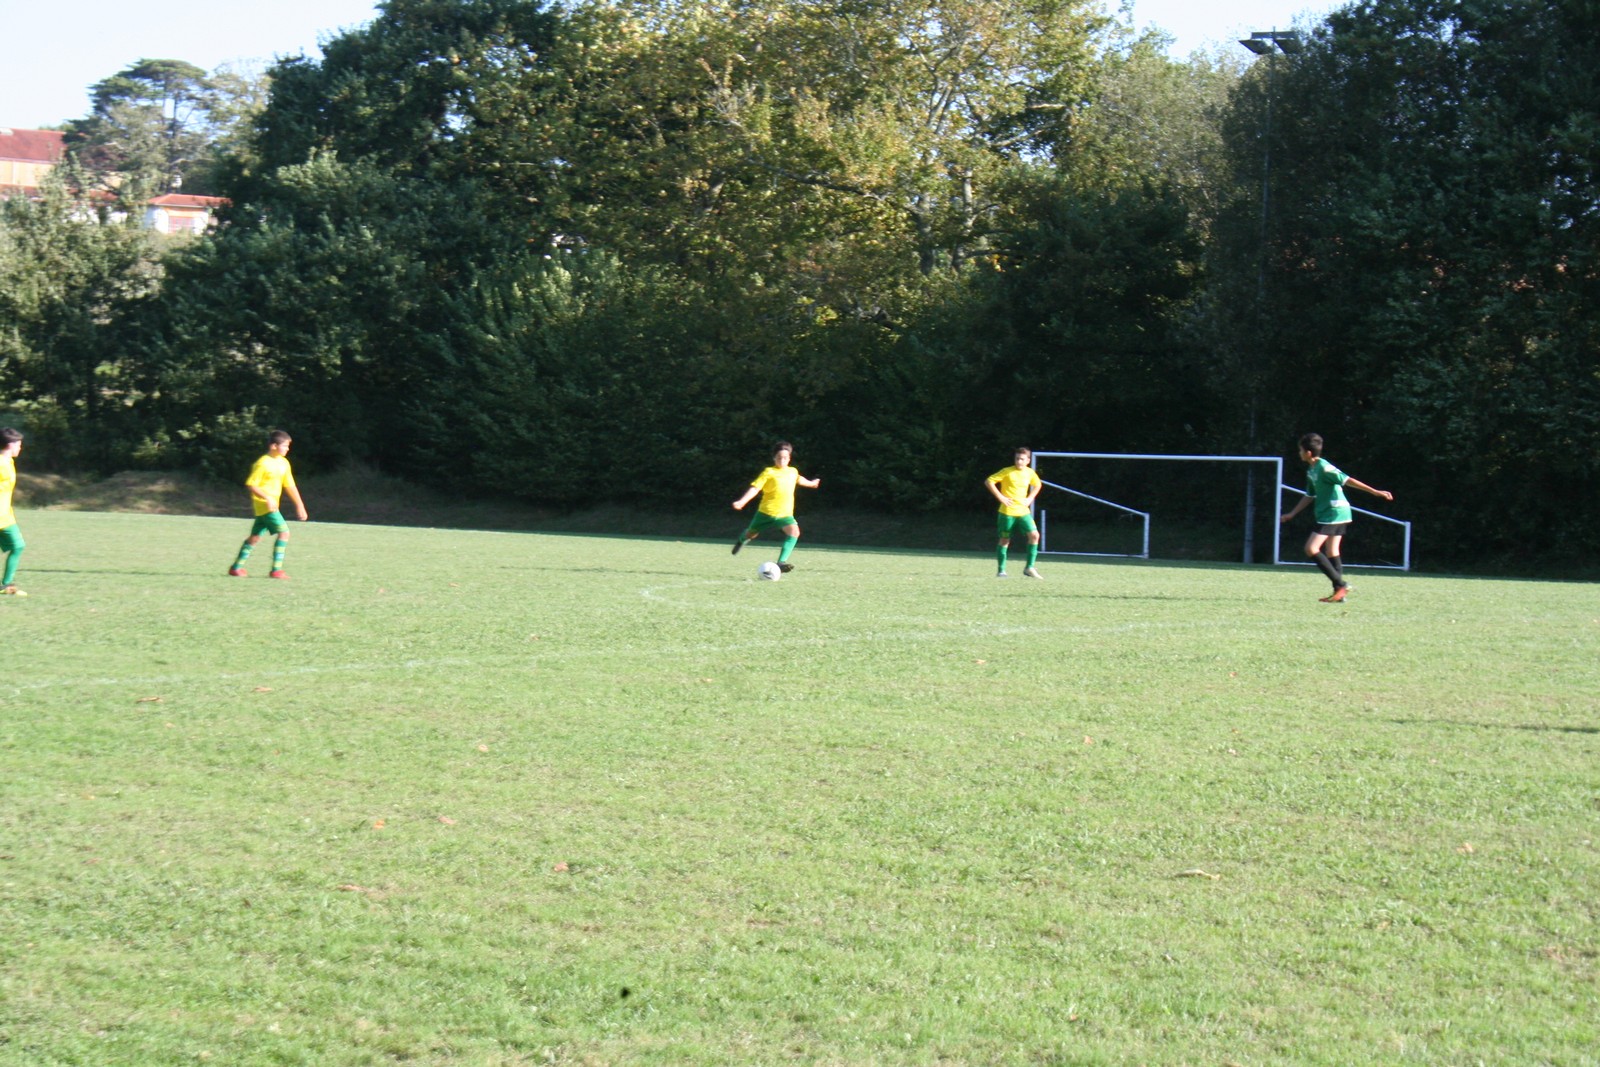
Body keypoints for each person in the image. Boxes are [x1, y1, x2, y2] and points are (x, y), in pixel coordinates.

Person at [1279, 432, 1393, 602]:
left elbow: (1347, 480)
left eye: (1300, 450)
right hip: (1333, 513)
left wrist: (1375, 491)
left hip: (1334, 512)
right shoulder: (1311, 470)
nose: (1299, 453)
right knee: (1332, 551)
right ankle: (1339, 594)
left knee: (1311, 548)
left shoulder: (1324, 467)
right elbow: (1310, 495)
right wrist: (1292, 513)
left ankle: (1341, 584)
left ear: (1308, 453)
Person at [227, 430, 308, 579]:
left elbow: (290, 485)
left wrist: (300, 505)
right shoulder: (263, 463)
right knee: (284, 533)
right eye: (285, 446)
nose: (287, 449)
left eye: (288, 446)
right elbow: (251, 484)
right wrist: (268, 498)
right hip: (265, 506)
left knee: (255, 537)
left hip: (269, 506)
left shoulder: (284, 463)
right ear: (273, 446)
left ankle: (236, 568)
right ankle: (276, 570)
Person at [731, 441, 820, 573]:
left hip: (785, 515)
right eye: (779, 458)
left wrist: (812, 484)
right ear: (774, 458)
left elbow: (800, 479)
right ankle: (741, 540)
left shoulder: (792, 472)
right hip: (765, 513)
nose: (782, 460)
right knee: (751, 534)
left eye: (785, 458)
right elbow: (755, 488)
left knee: (794, 532)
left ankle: (781, 562)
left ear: (789, 458)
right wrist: (742, 501)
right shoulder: (769, 472)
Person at [986, 446, 1043, 579]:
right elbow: (989, 481)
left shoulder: (1030, 473)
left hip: (1023, 512)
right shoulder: (1007, 471)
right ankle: (1001, 571)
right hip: (1007, 512)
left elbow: (1038, 485)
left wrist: (1030, 498)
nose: (1019, 461)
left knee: (1035, 535)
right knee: (1005, 540)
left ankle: (1029, 567)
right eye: (1017, 458)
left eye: (1022, 459)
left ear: (1028, 460)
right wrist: (1001, 497)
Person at [0, 428, 26, 597]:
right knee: (18, 546)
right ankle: (6, 585)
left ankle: (6, 585)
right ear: (10, 445)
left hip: (5, 515)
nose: (20, 448)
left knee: (18, 546)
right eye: (18, 444)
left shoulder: (8, 461)